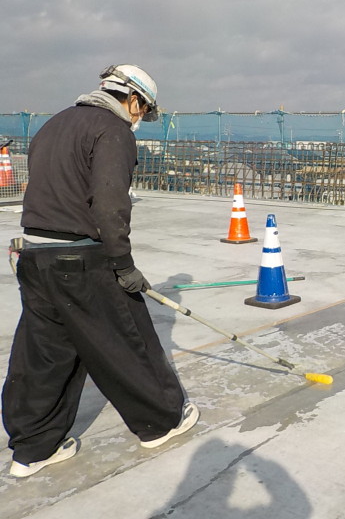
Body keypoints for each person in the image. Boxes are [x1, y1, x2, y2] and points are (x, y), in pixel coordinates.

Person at [2, 65, 199, 478]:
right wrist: (123, 265)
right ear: (133, 100)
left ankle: (34, 448)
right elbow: (109, 203)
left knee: (44, 354)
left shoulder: (55, 124)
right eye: (142, 110)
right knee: (129, 340)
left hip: (35, 257)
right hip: (82, 259)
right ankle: (162, 423)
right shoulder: (112, 130)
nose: (140, 118)